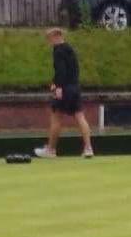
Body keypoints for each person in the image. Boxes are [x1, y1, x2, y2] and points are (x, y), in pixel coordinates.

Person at [34, 27, 94, 159]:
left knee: (56, 117)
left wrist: (58, 87)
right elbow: (73, 70)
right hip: (75, 87)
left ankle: (51, 149)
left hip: (65, 88)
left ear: (56, 36)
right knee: (80, 117)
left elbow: (61, 71)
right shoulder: (70, 49)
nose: (49, 42)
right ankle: (88, 148)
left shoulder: (58, 51)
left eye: (49, 38)